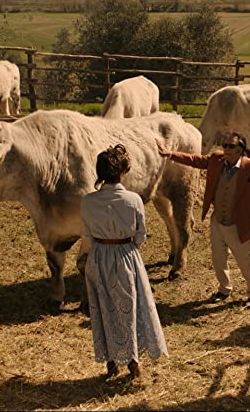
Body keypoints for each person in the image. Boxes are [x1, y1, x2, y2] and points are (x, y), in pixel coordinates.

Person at [81, 144, 169, 379]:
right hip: (126, 256)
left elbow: (87, 235)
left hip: (99, 256)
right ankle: (133, 362)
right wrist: (126, 247)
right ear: (122, 173)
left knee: (103, 308)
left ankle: (111, 362)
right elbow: (141, 235)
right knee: (130, 307)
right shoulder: (133, 199)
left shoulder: (88, 201)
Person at [157, 132, 250, 308]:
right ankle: (224, 289)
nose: (226, 150)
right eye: (225, 145)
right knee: (218, 258)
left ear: (241, 150)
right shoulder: (217, 160)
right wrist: (170, 154)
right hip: (218, 221)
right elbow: (195, 160)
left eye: (231, 146)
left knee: (245, 260)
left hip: (239, 223)